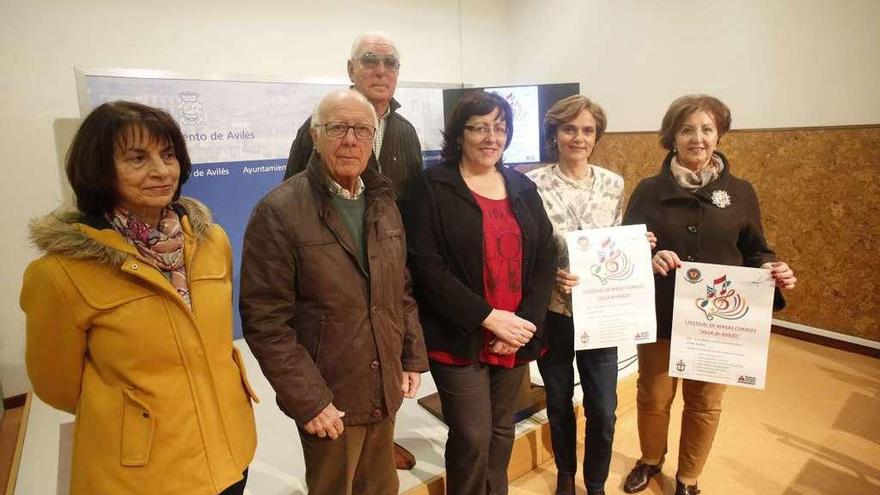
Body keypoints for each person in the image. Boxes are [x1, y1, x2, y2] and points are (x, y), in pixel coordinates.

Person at [20, 101, 257, 495]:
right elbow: (58, 386)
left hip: (229, 444)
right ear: (99, 169)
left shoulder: (212, 241)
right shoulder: (60, 273)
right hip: (144, 470)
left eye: (168, 155)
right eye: (137, 158)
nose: (161, 171)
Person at [240, 89, 428, 495]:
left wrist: (411, 355)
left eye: (362, 129)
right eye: (337, 127)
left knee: (381, 489)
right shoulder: (278, 211)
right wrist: (309, 400)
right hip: (330, 394)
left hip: (384, 384)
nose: (350, 139)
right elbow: (266, 322)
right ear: (314, 135)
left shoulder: (383, 202)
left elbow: (402, 287)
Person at [622, 94, 797, 495]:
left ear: (719, 135)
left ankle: (688, 478)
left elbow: (756, 250)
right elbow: (629, 248)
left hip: (717, 322)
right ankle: (650, 460)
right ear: (672, 137)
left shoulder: (741, 192)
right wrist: (649, 255)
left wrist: (772, 268)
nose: (697, 138)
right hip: (662, 313)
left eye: (706, 129)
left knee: (704, 403)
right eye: (687, 129)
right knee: (653, 395)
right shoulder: (649, 190)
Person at [405, 91, 557, 495]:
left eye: (500, 127)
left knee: (502, 430)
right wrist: (489, 318)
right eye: (479, 127)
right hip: (461, 333)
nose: (492, 137)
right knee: (472, 434)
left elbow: (545, 254)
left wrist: (524, 322)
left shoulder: (521, 185)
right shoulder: (431, 187)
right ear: (459, 134)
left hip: (516, 333)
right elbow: (426, 266)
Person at [527, 95, 656, 495]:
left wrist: (638, 247)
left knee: (603, 409)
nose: (578, 138)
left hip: (602, 318)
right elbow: (525, 250)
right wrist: (552, 277)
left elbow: (615, 244)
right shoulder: (532, 184)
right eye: (569, 129)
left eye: (587, 130)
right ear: (555, 134)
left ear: (596, 135)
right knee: (559, 400)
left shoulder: (613, 183)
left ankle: (595, 481)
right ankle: (566, 473)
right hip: (555, 314)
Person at [284, 31, 423, 209]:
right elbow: (292, 198)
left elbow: (414, 204)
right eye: (370, 60)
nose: (381, 71)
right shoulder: (321, 127)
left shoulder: (407, 132)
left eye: (390, 63)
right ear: (351, 69)